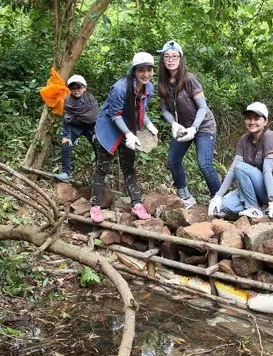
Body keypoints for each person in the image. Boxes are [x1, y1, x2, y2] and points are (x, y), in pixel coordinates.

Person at [90, 52, 159, 223]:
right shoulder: (120, 88)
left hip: (130, 129)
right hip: (109, 129)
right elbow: (114, 114)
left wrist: (149, 125)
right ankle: (95, 205)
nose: (146, 74)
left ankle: (136, 204)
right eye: (141, 70)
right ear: (134, 71)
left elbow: (142, 110)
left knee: (128, 167)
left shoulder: (148, 88)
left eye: (149, 70)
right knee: (102, 168)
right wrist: (127, 134)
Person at [157, 40, 221, 208]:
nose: (170, 59)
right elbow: (164, 109)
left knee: (204, 164)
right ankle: (185, 196)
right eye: (167, 56)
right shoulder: (163, 82)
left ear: (180, 58)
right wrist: (174, 124)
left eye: (174, 56)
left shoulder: (190, 79)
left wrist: (194, 127)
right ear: (163, 59)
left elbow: (203, 107)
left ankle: (218, 198)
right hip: (182, 127)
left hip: (203, 126)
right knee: (173, 160)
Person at [208, 102, 273, 219]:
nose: (252, 122)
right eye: (248, 118)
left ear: (265, 121)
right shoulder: (243, 140)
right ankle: (262, 207)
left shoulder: (269, 136)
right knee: (226, 206)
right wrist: (218, 196)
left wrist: (272, 200)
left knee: (240, 167)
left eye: (257, 118)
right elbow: (232, 170)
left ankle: (253, 208)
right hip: (257, 184)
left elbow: (267, 170)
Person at [54, 74, 98, 182]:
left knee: (99, 144)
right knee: (66, 144)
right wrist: (67, 135)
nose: (76, 90)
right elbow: (66, 118)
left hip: (90, 127)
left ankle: (101, 174)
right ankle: (66, 173)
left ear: (84, 88)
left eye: (78, 87)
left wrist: (96, 133)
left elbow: (95, 117)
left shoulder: (90, 99)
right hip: (74, 126)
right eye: (73, 88)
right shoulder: (68, 100)